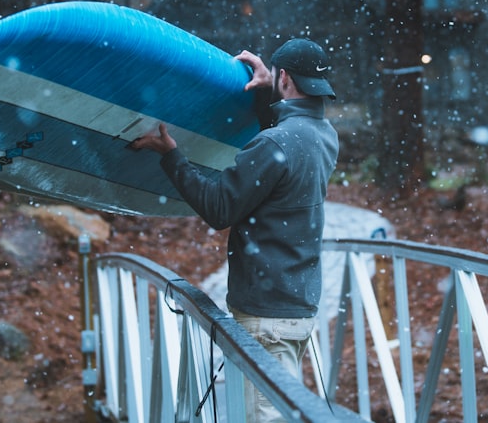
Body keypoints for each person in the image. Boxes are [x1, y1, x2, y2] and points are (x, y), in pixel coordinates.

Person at [132, 38, 339, 422]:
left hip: (266, 317)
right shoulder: (324, 135)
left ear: (286, 78)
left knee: (267, 418)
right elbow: (280, 149)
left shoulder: (276, 142)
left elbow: (218, 207)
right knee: (278, 409)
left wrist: (171, 155)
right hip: (296, 304)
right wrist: (267, 92)